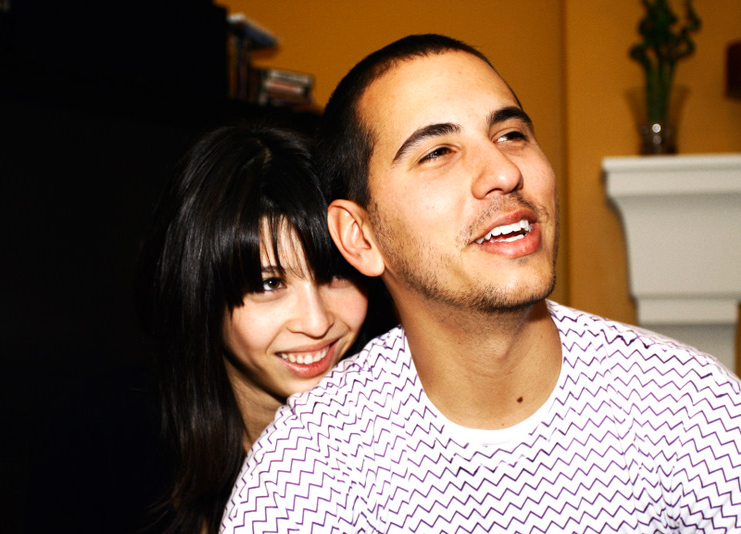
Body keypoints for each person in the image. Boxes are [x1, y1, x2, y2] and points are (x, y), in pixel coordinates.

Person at [221, 35, 741, 532]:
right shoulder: (306, 469)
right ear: (360, 236)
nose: (503, 172)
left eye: (511, 135)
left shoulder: (691, 407)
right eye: (437, 152)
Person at [135, 121, 395, 534]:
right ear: (200, 293)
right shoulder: (113, 452)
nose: (317, 322)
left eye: (335, 274)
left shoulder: (402, 442)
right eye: (269, 284)